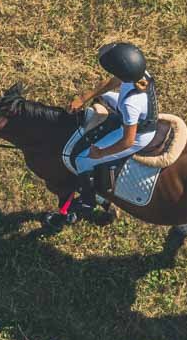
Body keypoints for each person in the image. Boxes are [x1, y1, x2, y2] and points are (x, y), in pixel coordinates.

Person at [64, 42, 159, 220]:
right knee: (104, 97)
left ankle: (88, 202)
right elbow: (113, 81)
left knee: (83, 160)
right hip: (133, 113)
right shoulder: (140, 74)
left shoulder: (131, 104)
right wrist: (84, 98)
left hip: (139, 134)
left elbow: (128, 141)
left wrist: (101, 153)